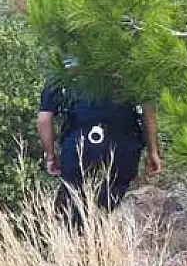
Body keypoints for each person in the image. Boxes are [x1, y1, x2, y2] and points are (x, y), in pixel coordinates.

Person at [36, 66, 162, 225]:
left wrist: (51, 155)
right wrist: (153, 151)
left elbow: (44, 120)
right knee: (112, 203)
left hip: (78, 145)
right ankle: (108, 239)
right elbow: (148, 111)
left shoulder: (63, 72)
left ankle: (82, 241)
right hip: (123, 145)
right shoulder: (129, 68)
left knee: (76, 206)